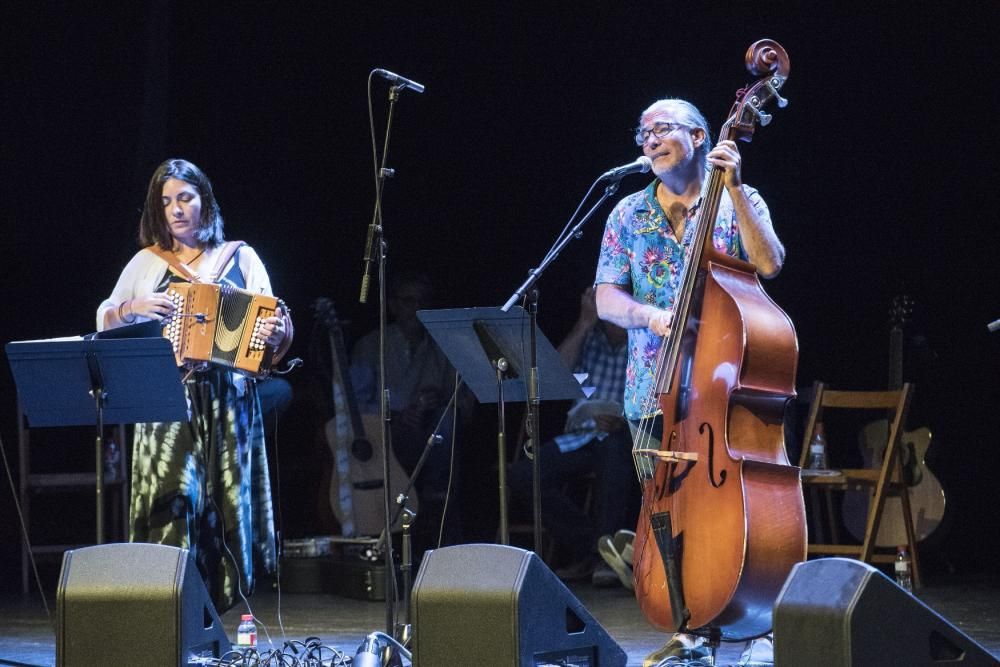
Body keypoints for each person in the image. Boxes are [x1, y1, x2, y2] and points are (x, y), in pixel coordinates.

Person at [594, 98, 782, 665]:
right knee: (669, 515)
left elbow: (769, 264)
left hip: (728, 386)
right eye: (642, 131)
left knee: (744, 516)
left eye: (662, 129)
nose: (648, 140)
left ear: (700, 136)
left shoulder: (740, 200)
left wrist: (736, 191)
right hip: (652, 389)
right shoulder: (626, 212)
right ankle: (690, 629)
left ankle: (758, 631)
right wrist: (652, 317)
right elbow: (606, 297)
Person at [97, 158, 292, 612]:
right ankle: (166, 604)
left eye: (185, 198)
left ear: (205, 200)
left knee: (225, 507)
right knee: (173, 499)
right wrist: (134, 307)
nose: (176, 210)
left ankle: (222, 611)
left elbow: (275, 324)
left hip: (228, 399)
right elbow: (105, 318)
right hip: (167, 400)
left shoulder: (240, 257)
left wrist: (277, 335)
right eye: (165, 202)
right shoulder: (147, 262)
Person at [508, 286, 637, 587]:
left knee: (613, 449)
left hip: (624, 436)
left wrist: (623, 421)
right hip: (580, 436)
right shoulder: (589, 337)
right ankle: (596, 548)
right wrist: (584, 323)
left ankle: (602, 558)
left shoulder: (640, 340)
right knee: (523, 476)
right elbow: (554, 379)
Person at [351, 272, 471, 566]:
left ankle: (436, 515)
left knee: (446, 423)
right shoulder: (371, 345)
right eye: (408, 301)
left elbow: (465, 401)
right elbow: (356, 406)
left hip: (431, 436)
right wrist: (395, 415)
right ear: (393, 305)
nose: (415, 310)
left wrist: (436, 402)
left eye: (422, 302)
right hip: (385, 436)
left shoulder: (443, 347)